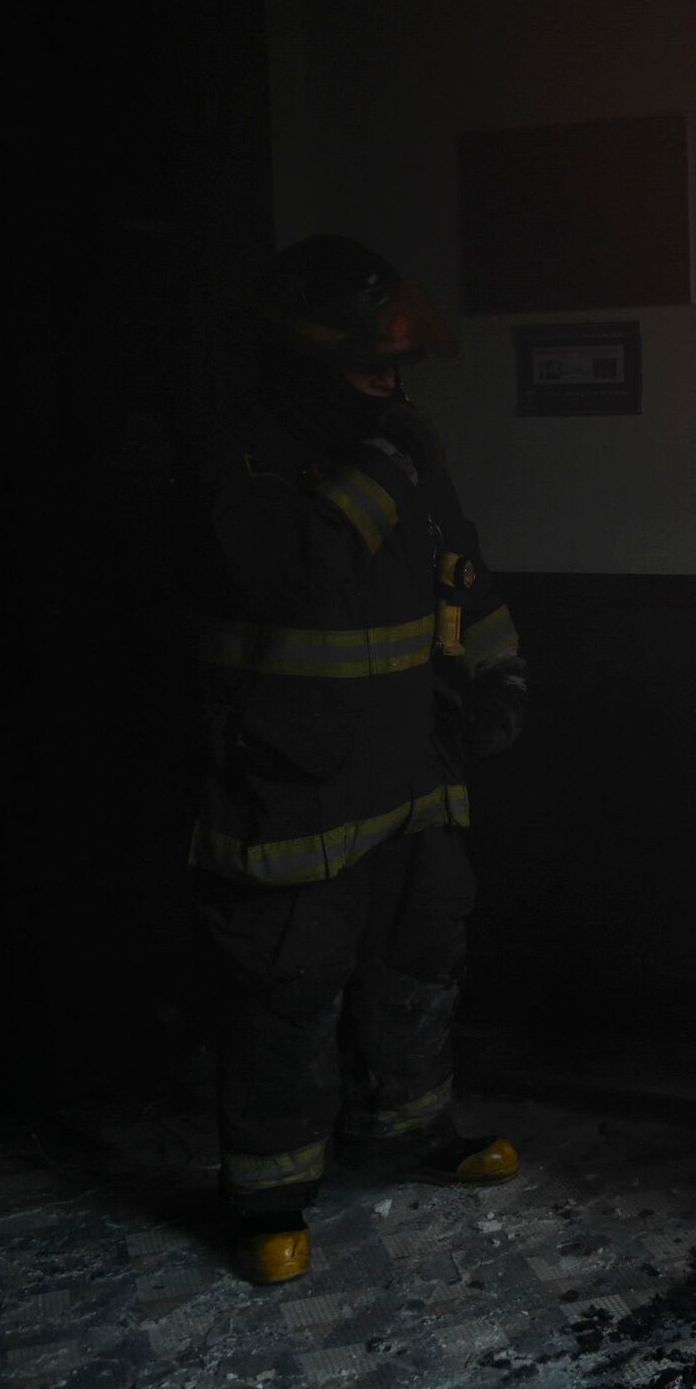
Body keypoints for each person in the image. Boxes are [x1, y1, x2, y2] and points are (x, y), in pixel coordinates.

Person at [185, 235, 531, 1285]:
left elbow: (461, 572)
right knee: (290, 978)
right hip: (294, 777)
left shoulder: (400, 448)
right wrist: (383, 467)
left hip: (412, 764)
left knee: (419, 952)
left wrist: (501, 674)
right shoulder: (241, 458)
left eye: (395, 367)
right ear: (302, 359)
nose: (389, 383)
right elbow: (290, 572)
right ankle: (269, 1193)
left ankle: (407, 1128)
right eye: (368, 365)